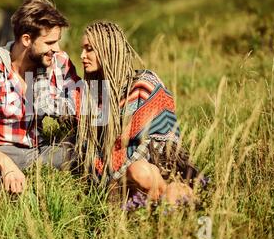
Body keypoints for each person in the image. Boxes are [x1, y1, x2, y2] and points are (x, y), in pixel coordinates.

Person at [0, 0, 80, 194]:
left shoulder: (58, 62)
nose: (57, 49)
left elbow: (80, 108)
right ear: (27, 40)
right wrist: (5, 163)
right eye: (49, 43)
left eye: (57, 42)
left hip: (39, 151)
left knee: (86, 153)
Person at [76, 21, 203, 205]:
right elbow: (93, 147)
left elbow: (162, 142)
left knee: (143, 174)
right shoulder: (93, 95)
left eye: (89, 49)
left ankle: (178, 211)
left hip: (156, 169)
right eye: (82, 49)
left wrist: (127, 168)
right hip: (114, 181)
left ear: (107, 50)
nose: (82, 56)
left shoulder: (143, 85)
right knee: (133, 178)